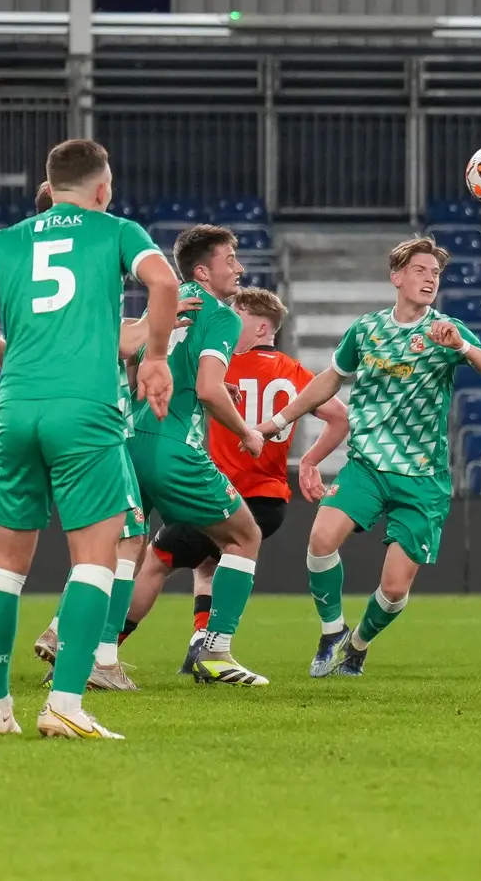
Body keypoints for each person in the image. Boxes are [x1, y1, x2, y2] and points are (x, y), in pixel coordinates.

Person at [0, 138, 179, 739]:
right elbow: (165, 283)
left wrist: (2, 348)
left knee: (3, 568)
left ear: (51, 184)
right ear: (103, 187)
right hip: (85, 410)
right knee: (96, 562)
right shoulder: (115, 230)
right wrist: (154, 357)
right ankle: (66, 705)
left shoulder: (8, 239)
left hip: (17, 410)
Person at [266, 236, 481, 677]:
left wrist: (460, 347)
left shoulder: (445, 331)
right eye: (420, 270)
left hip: (422, 477)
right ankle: (331, 633)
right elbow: (330, 380)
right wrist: (279, 420)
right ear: (396, 277)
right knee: (321, 539)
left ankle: (357, 646)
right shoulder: (366, 330)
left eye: (435, 273)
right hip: (367, 465)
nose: (430, 278)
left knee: (394, 588)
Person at [119, 287, 349, 674]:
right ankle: (201, 640)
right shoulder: (295, 372)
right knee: (212, 561)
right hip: (271, 497)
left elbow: (191, 389)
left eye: (236, 315)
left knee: (157, 561)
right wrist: (310, 460)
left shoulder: (222, 363)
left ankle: (109, 645)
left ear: (261, 327)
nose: (226, 322)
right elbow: (339, 415)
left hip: (221, 486)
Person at [28, 182, 200, 693]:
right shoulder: (90, 262)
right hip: (97, 424)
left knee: (100, 541)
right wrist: (156, 333)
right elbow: (112, 340)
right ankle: (98, 657)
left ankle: (62, 631)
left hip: (38, 413)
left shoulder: (29, 266)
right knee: (125, 539)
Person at [125, 224, 274, 686]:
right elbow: (209, 391)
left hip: (131, 439)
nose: (240, 267)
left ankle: (86, 649)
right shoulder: (222, 315)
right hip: (175, 446)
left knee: (124, 553)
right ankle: (216, 652)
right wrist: (246, 431)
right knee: (244, 536)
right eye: (231, 259)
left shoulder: (162, 302)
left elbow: (136, 367)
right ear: (205, 271)